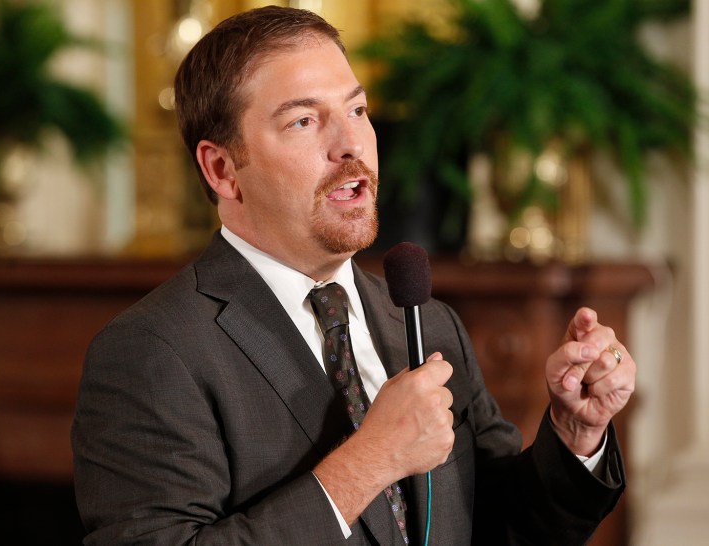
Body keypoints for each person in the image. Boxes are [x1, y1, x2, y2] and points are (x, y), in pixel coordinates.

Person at [71, 6, 634, 545]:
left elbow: (506, 530)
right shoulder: (151, 351)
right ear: (222, 169)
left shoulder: (427, 323)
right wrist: (369, 461)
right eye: (303, 120)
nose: (352, 146)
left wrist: (574, 433)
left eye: (358, 110)